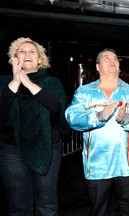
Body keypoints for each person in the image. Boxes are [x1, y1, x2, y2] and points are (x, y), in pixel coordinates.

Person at [65, 48, 129, 216]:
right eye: (106, 58)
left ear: (119, 66)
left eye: (115, 58)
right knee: (98, 211)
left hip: (126, 165)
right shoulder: (84, 92)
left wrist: (126, 118)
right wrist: (100, 116)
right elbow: (72, 117)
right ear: (97, 67)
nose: (112, 61)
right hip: (96, 166)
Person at [0, 37, 68, 215]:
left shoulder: (52, 83)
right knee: (18, 206)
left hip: (47, 148)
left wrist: (28, 83)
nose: (27, 54)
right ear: (14, 58)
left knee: (46, 205)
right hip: (11, 149)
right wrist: (15, 82)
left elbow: (56, 107)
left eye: (32, 51)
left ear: (40, 59)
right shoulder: (3, 82)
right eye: (22, 51)